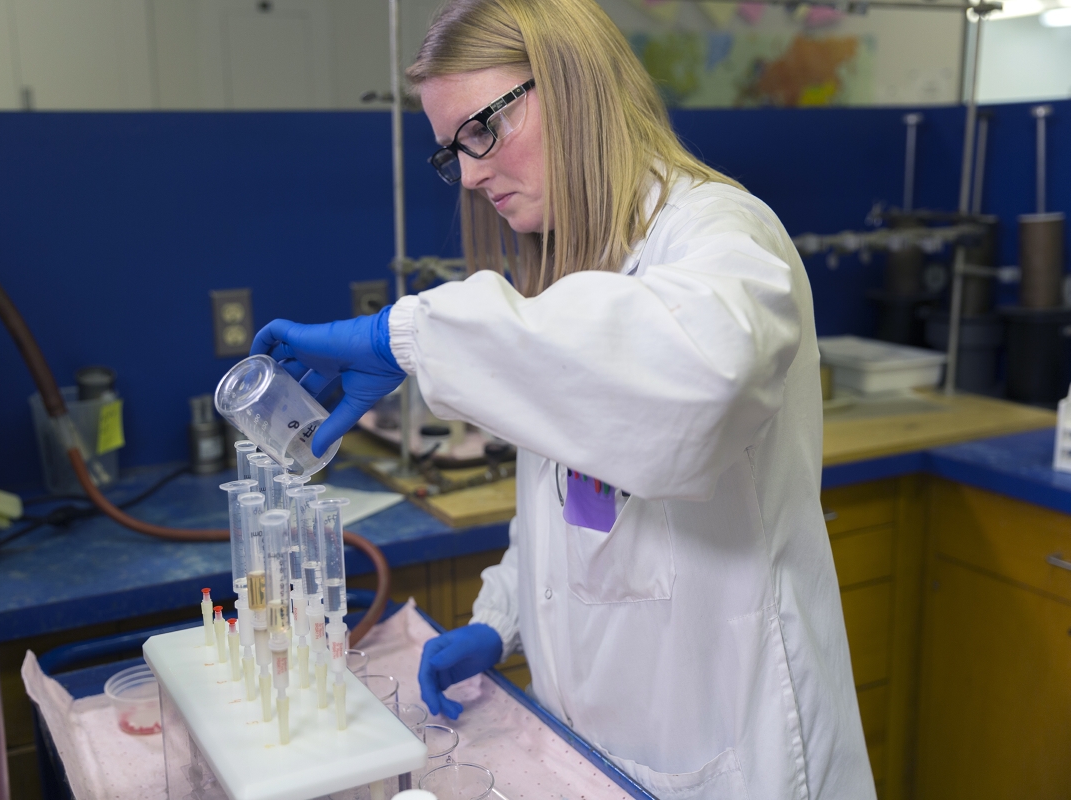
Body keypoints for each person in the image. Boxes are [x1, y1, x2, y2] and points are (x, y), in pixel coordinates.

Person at [250, 0, 874, 797]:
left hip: (732, 753)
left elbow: (700, 392)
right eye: (453, 153)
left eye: (482, 131)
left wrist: (404, 336)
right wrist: (500, 617)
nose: (470, 174)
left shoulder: (720, 234)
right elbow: (572, 508)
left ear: (575, 87)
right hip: (594, 743)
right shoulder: (574, 280)